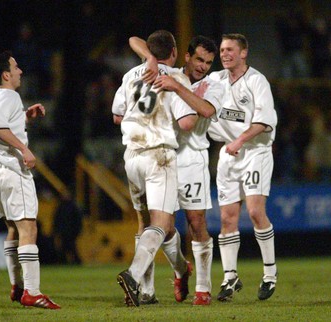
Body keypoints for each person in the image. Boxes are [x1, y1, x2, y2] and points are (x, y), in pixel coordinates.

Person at [129, 35, 223, 305]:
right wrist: (149, 57)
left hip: (192, 159)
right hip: (162, 158)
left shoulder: (213, 85)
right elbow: (134, 39)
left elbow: (204, 110)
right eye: (199, 59)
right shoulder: (165, 72)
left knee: (196, 224)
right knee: (164, 228)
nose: (203, 66)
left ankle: (203, 289)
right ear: (186, 56)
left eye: (208, 62)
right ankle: (181, 270)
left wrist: (177, 88)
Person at [112, 30, 198, 307]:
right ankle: (134, 276)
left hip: (132, 157)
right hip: (159, 156)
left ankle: (153, 289)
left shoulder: (129, 76)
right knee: (160, 223)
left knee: (150, 224)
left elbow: (116, 116)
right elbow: (187, 123)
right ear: (173, 52)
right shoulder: (174, 77)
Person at [0, 50, 60, 309]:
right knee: (28, 228)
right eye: (16, 67)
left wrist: (23, 119)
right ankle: (32, 292)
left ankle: (17, 286)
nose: (20, 71)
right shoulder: (10, 95)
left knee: (13, 227)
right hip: (9, 169)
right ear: (5, 74)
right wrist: (24, 149)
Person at [207, 34, 278, 301]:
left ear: (244, 53)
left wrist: (239, 140)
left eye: (230, 50)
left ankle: (270, 273)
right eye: (222, 49)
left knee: (256, 211)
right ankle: (229, 278)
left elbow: (263, 121)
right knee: (226, 218)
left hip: (254, 151)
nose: (224, 54)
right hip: (228, 152)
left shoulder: (256, 81)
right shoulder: (215, 80)